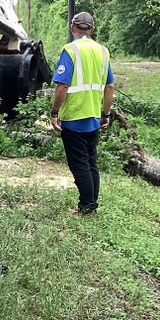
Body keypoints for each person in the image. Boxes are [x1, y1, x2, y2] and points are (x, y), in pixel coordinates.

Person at [49, 12, 115, 215]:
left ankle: (86, 206)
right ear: (92, 30)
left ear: (72, 28)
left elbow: (62, 86)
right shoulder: (103, 52)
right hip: (94, 116)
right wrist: (105, 114)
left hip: (74, 117)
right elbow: (110, 87)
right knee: (91, 162)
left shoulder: (70, 50)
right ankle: (91, 203)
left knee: (79, 165)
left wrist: (54, 112)